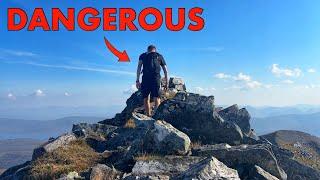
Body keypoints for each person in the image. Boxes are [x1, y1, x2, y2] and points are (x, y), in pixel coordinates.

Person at [136, 45, 168, 116]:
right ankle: (156, 116)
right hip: (156, 78)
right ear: (155, 50)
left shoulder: (143, 55)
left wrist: (137, 80)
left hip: (145, 79)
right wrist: (167, 82)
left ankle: (148, 115)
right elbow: (165, 70)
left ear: (147, 50)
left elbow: (139, 68)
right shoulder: (159, 56)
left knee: (146, 98)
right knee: (157, 98)